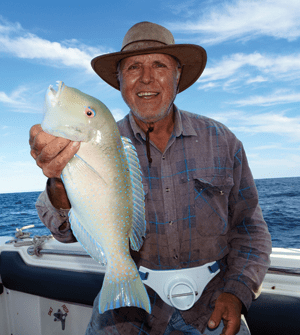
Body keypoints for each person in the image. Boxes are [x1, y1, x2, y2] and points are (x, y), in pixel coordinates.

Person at [29, 21, 272, 335]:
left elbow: (251, 227)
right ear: (120, 80)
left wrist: (237, 291)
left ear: (177, 75)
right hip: (125, 311)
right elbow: (63, 231)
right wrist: (59, 179)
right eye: (133, 67)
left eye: (159, 65)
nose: (146, 78)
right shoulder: (91, 142)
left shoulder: (222, 140)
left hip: (210, 304)